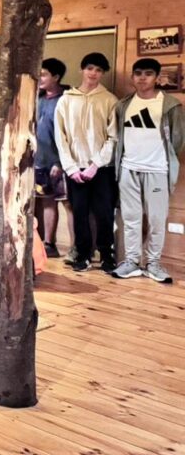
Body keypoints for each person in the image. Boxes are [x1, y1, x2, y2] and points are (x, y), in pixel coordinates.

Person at [110, 58, 185, 282]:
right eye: (138, 73)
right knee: (131, 218)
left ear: (157, 78)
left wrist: (164, 160)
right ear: (132, 77)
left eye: (148, 73)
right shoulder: (123, 105)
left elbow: (178, 140)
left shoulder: (170, 105)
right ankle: (132, 261)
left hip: (157, 170)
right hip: (128, 169)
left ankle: (153, 263)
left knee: (156, 219)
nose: (143, 78)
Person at [54, 52, 118, 273]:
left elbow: (113, 137)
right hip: (75, 168)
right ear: (82, 69)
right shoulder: (65, 100)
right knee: (79, 212)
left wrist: (96, 165)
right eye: (90, 68)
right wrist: (71, 168)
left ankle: (107, 254)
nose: (93, 73)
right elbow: (60, 137)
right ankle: (83, 254)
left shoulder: (110, 100)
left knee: (104, 213)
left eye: (99, 70)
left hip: (102, 168)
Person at [34, 58, 72, 259]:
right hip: (38, 160)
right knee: (46, 202)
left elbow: (70, 134)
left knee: (68, 204)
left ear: (56, 77)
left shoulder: (66, 99)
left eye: (44, 74)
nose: (40, 78)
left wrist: (60, 162)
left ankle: (75, 248)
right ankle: (47, 244)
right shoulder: (37, 98)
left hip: (60, 161)